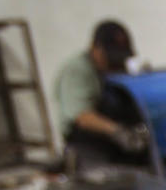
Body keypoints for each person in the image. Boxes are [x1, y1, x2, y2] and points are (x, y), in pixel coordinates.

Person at [53, 20, 146, 166]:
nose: (114, 63)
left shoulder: (110, 70)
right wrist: (119, 132)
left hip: (113, 145)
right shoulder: (77, 70)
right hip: (88, 147)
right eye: (110, 57)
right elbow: (82, 116)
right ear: (95, 48)